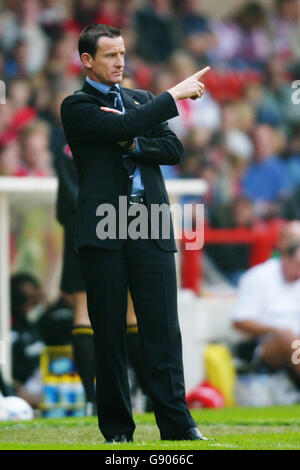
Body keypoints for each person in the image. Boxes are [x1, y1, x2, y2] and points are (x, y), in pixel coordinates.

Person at [60, 23, 209, 443]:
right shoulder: (75, 106)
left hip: (150, 221)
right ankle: (118, 431)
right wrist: (172, 96)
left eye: (122, 53)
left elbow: (172, 150)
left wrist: (132, 144)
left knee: (162, 328)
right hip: (106, 221)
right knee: (108, 333)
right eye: (110, 55)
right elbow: (123, 128)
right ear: (87, 60)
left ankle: (179, 427)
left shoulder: (141, 100)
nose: (120, 62)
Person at [233, 221, 300, 385]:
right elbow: (240, 322)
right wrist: (277, 330)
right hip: (265, 345)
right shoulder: (259, 276)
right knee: (290, 338)